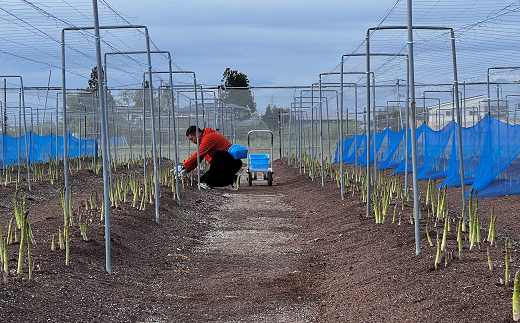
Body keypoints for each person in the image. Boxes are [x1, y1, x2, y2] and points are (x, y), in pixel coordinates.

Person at [177, 125, 242, 190]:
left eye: (192, 139)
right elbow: (199, 158)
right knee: (201, 181)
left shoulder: (210, 137)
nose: (193, 141)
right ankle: (232, 179)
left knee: (217, 154)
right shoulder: (204, 140)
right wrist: (186, 169)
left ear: (197, 134)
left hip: (232, 164)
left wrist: (183, 166)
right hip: (223, 165)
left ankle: (209, 183)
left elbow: (198, 154)